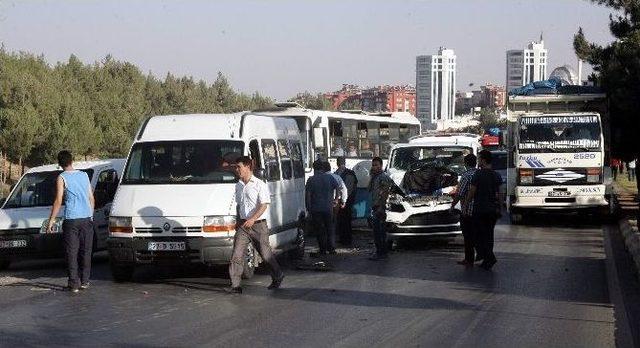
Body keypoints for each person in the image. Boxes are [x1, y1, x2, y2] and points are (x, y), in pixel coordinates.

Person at [227, 156, 284, 294]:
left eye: (238, 167)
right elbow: (239, 205)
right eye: (235, 167)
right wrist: (237, 220)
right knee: (236, 255)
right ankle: (235, 285)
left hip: (258, 225)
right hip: (243, 226)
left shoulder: (259, 184)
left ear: (247, 167)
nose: (236, 170)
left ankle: (278, 275)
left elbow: (264, 205)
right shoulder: (238, 185)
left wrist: (253, 218)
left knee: (265, 255)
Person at [47, 150, 95, 293]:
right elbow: (91, 198)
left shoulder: (62, 177)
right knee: (86, 251)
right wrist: (90, 216)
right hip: (86, 218)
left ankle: (74, 283)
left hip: (72, 219)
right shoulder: (84, 175)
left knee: (71, 252)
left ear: (60, 164)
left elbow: (58, 200)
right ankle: (85, 281)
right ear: (72, 161)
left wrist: (51, 221)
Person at [464, 150, 502, 270]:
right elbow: (500, 193)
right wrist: (499, 208)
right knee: (489, 236)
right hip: (492, 211)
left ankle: (489, 257)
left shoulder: (478, 175)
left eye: (479, 159)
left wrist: (465, 204)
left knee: (478, 236)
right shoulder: (496, 175)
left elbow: (472, 191)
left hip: (479, 210)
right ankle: (487, 260)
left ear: (484, 160)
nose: (478, 162)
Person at [306, 160, 342, 255]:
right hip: (328, 208)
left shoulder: (311, 180)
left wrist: (309, 209)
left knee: (320, 230)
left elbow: (308, 196)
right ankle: (331, 248)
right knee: (330, 228)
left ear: (314, 168)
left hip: (316, 209)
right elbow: (338, 187)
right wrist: (336, 199)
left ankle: (322, 249)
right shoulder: (330, 177)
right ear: (322, 168)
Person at [450, 154, 477, 267]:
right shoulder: (478, 173)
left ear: (465, 163)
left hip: (468, 210)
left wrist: (452, 205)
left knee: (467, 235)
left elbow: (460, 194)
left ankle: (469, 259)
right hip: (479, 209)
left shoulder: (466, 176)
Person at [368, 157, 392, 261]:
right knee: (377, 232)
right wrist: (371, 176)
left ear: (381, 166)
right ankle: (380, 252)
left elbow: (385, 193)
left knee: (379, 232)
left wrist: (381, 207)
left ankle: (381, 253)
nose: (374, 167)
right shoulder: (375, 177)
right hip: (375, 206)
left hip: (380, 207)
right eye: (373, 165)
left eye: (376, 165)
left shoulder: (383, 177)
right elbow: (368, 188)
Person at [335, 157, 358, 246]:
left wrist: (344, 200)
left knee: (346, 220)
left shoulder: (348, 173)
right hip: (342, 200)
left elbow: (348, 189)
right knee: (341, 220)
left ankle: (347, 239)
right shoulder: (339, 173)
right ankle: (343, 238)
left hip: (346, 201)